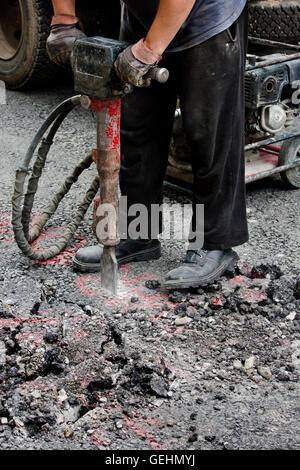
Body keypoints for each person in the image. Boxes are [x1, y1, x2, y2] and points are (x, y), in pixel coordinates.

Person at [47, 0, 249, 289]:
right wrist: (64, 20)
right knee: (138, 126)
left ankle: (215, 243)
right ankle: (139, 233)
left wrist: (149, 50)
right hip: (144, 15)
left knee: (209, 132)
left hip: (207, 17)